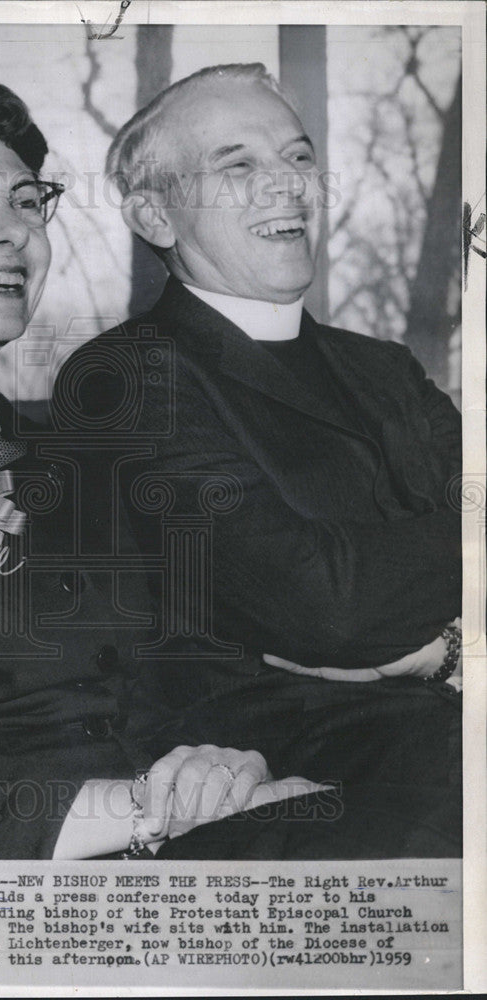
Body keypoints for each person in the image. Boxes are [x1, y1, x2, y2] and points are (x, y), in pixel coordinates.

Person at [0, 77, 321, 862]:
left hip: (154, 844)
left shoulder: (75, 464)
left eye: (28, 202)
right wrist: (144, 809)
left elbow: (173, 678)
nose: (14, 233)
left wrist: (215, 763)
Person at [52, 64, 462, 857]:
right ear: (154, 216)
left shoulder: (385, 369)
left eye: (299, 158)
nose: (286, 184)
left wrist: (450, 645)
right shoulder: (125, 374)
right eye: (237, 165)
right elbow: (323, 604)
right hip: (268, 764)